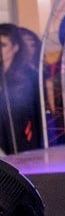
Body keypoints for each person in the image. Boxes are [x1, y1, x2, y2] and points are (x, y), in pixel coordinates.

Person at [0, 23, 43, 155]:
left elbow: (35, 115)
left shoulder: (27, 75)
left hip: (23, 142)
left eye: (3, 45)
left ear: (15, 48)